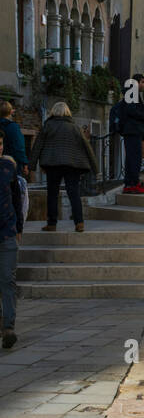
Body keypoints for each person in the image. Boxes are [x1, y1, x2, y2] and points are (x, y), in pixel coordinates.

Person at [29, 102, 98, 233]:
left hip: (52, 164)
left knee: (52, 194)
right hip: (72, 165)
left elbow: (38, 145)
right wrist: (95, 168)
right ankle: (79, 222)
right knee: (74, 193)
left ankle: (52, 223)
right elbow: (87, 147)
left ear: (54, 112)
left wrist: (31, 165)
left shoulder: (48, 126)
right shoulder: (75, 127)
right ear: (67, 112)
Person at [0, 127, 24, 350]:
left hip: (7, 232)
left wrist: (19, 227)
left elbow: (16, 199)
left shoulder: (8, 167)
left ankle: (8, 327)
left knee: (7, 280)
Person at [118, 74, 144, 194]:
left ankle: (130, 184)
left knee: (132, 158)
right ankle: (132, 184)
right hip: (133, 131)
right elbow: (131, 111)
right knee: (134, 159)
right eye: (143, 82)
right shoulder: (132, 92)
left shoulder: (131, 92)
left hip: (131, 130)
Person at [0, 100, 29, 178]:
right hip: (11, 163)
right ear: (11, 112)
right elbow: (19, 147)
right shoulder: (13, 127)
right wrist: (24, 163)